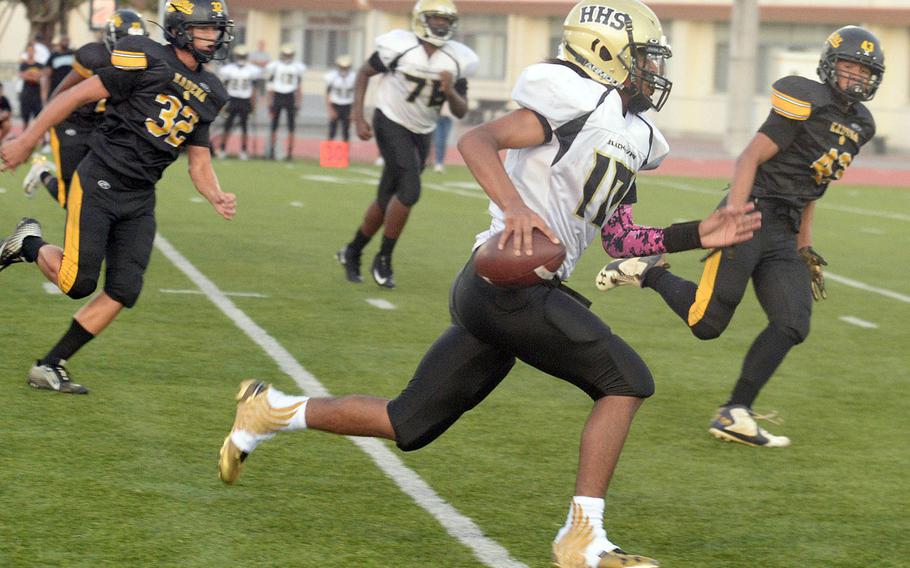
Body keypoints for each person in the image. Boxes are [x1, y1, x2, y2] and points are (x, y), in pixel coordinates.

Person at [218, 2, 761, 566]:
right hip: (508, 284)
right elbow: (478, 140)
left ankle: (272, 409)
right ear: (605, 55)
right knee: (626, 381)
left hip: (502, 292)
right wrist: (515, 208)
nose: (653, 70)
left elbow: (621, 241)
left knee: (409, 422)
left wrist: (699, 233)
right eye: (645, 58)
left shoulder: (637, 133)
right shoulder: (572, 96)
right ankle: (581, 539)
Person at [596, 25, 884, 449]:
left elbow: (812, 188)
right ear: (830, 65)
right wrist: (734, 211)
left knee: (792, 323)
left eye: (864, 69)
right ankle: (648, 270)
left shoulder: (862, 123)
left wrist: (804, 244)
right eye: (848, 65)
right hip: (751, 214)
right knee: (706, 323)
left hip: (785, 231)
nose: (856, 76)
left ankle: (735, 412)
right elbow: (750, 156)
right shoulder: (807, 98)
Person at [0, 0, 237, 394]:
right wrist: (27, 140)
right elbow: (73, 97)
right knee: (78, 283)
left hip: (141, 197)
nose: (213, 36)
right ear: (179, 29)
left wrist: (215, 194)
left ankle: (50, 365)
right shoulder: (146, 58)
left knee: (125, 289)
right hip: (101, 180)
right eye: (205, 28)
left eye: (216, 29)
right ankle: (28, 243)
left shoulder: (212, 90)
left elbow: (198, 160)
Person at [335, 0, 477, 288]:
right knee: (410, 191)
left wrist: (449, 90)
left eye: (445, 20)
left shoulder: (457, 59)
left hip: (423, 129)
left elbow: (461, 110)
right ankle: (384, 258)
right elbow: (364, 72)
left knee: (388, 197)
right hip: (389, 120)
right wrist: (357, 115)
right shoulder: (399, 46)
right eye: (435, 19)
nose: (441, 25)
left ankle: (353, 250)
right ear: (421, 20)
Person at [22, 9, 149, 205]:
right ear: (112, 39)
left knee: (98, 194)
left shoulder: (145, 64)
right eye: (127, 41)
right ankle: (42, 174)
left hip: (102, 126)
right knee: (71, 200)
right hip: (72, 122)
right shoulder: (94, 56)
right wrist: (42, 127)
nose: (133, 47)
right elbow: (61, 93)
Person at [217, 44, 260, 160]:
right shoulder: (249, 69)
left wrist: (253, 105)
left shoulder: (231, 69)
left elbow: (254, 90)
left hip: (242, 100)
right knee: (228, 127)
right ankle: (223, 148)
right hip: (234, 100)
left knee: (242, 127)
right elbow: (223, 89)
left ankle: (242, 150)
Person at [265, 44, 305, 160]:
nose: (287, 57)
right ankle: (272, 151)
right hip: (278, 96)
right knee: (274, 126)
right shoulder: (276, 66)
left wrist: (298, 103)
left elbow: (299, 88)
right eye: (286, 54)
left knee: (291, 127)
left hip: (289, 97)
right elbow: (270, 87)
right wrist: (270, 103)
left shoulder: (297, 68)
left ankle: (290, 153)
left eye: (289, 55)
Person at [324, 54, 354, 142]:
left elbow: (356, 95)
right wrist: (330, 109)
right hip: (335, 104)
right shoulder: (332, 76)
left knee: (346, 132)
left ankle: (345, 155)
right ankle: (329, 154)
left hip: (347, 105)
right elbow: (327, 93)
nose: (344, 70)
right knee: (332, 131)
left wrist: (353, 111)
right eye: (342, 67)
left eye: (346, 67)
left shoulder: (353, 77)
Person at [19, 44, 46, 128]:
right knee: (25, 119)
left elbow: (39, 77)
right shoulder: (23, 65)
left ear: (34, 52)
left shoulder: (40, 65)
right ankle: (24, 137)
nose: (30, 52)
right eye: (29, 50)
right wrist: (34, 75)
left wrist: (29, 74)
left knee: (38, 119)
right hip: (26, 95)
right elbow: (23, 76)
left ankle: (40, 139)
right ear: (27, 52)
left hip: (36, 95)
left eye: (32, 50)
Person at [431, 107, 452, 173]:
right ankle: (435, 162)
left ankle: (439, 163)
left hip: (447, 117)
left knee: (442, 142)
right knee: (437, 141)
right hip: (434, 117)